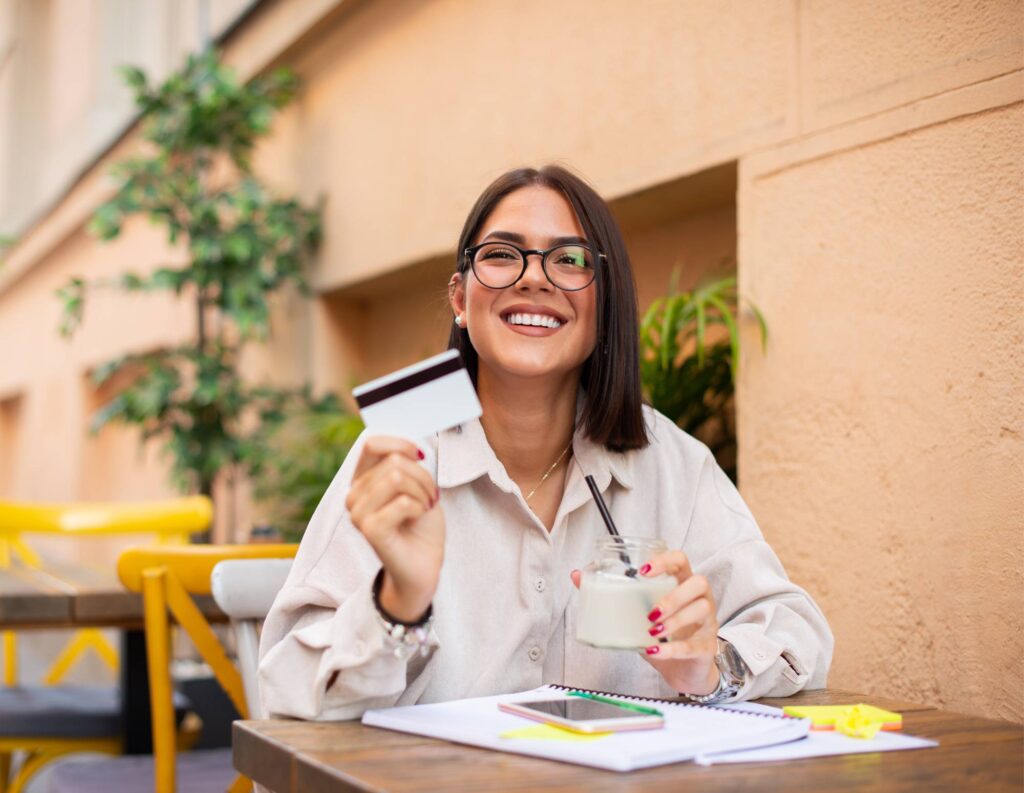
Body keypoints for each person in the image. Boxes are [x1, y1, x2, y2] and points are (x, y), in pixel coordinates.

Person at [259, 165, 833, 720]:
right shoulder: (400, 453)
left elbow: (794, 630)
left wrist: (711, 667)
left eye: (570, 259)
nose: (534, 277)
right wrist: (397, 604)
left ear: (603, 304)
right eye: (503, 255)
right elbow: (283, 684)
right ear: (460, 299)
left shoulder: (671, 461)